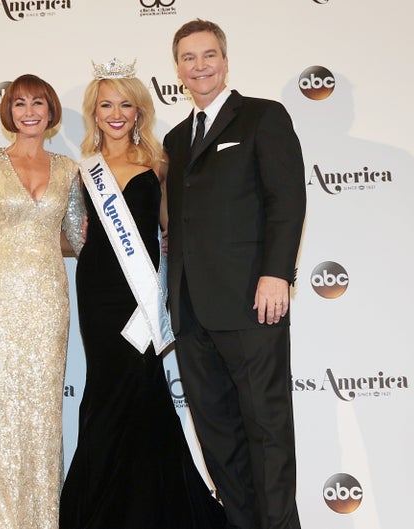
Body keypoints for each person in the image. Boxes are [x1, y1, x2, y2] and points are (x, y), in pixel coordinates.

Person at [59, 59, 227, 529]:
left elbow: (173, 226)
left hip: (142, 294)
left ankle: (154, 509)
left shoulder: (159, 161)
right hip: (97, 292)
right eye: (106, 105)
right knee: (106, 389)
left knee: (143, 388)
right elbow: (73, 236)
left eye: (125, 105)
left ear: (139, 111)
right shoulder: (83, 170)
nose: (116, 114)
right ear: (94, 112)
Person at [162, 19, 306, 529]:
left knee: (267, 429)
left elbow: (287, 201)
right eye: (188, 57)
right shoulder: (176, 139)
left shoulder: (263, 117)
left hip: (252, 301)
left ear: (225, 60)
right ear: (176, 67)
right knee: (218, 436)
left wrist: (276, 274)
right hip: (192, 312)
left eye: (208, 55)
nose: (199, 66)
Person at [0, 74, 84, 529]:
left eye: (39, 103)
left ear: (51, 111)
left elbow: (79, 240)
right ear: (8, 111)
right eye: (20, 103)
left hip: (47, 301)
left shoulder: (68, 169)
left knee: (41, 416)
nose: (29, 111)